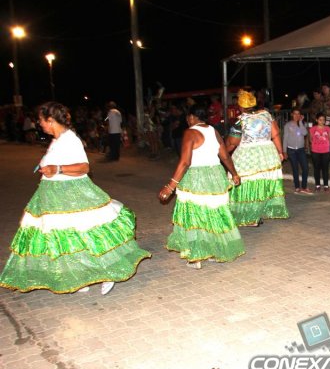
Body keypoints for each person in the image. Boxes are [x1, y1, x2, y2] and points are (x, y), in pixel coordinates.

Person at [0, 102, 150, 294]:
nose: (39, 124)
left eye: (41, 120)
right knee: (66, 239)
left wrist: (57, 169)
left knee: (88, 234)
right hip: (54, 197)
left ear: (51, 120)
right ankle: (80, 275)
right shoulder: (57, 140)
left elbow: (84, 167)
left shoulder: (70, 140)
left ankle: (109, 272)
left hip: (73, 195)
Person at [158, 103, 244, 269]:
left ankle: (196, 255)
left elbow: (185, 162)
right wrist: (234, 174)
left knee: (193, 214)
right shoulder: (213, 131)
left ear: (191, 117)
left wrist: (170, 186)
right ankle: (215, 251)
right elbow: (225, 156)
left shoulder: (190, 132)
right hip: (215, 176)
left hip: (196, 177)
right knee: (214, 214)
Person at [225, 90, 289, 226]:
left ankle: (250, 216)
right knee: (263, 182)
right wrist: (280, 152)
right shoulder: (266, 115)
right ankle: (262, 211)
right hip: (268, 155)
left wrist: (223, 153)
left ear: (241, 106)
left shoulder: (240, 121)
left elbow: (232, 143)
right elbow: (275, 135)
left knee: (246, 183)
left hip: (248, 157)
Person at [283, 108, 312, 194]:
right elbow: (285, 138)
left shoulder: (301, 124)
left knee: (305, 168)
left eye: (298, 114)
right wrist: (284, 151)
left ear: (300, 115)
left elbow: (305, 133)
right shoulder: (288, 125)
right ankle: (297, 187)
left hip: (301, 150)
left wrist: (300, 122)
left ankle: (304, 186)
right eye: (295, 114)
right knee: (295, 169)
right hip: (291, 150)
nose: (296, 115)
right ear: (292, 114)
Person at [309, 113, 330, 192]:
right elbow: (310, 139)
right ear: (316, 120)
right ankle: (317, 185)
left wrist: (325, 143)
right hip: (315, 151)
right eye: (320, 120)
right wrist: (316, 143)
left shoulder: (328, 128)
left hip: (325, 150)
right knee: (317, 168)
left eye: (323, 120)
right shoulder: (313, 129)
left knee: (325, 168)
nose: (322, 121)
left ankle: (326, 185)